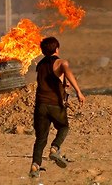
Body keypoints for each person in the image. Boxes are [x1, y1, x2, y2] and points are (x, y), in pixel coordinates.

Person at [29, 37, 86, 178]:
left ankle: (35, 167)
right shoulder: (61, 62)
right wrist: (78, 91)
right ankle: (55, 149)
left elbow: (51, 78)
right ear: (57, 49)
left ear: (43, 51)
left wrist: (63, 83)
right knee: (63, 127)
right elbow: (66, 71)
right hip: (54, 104)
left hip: (40, 105)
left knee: (41, 138)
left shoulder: (40, 65)